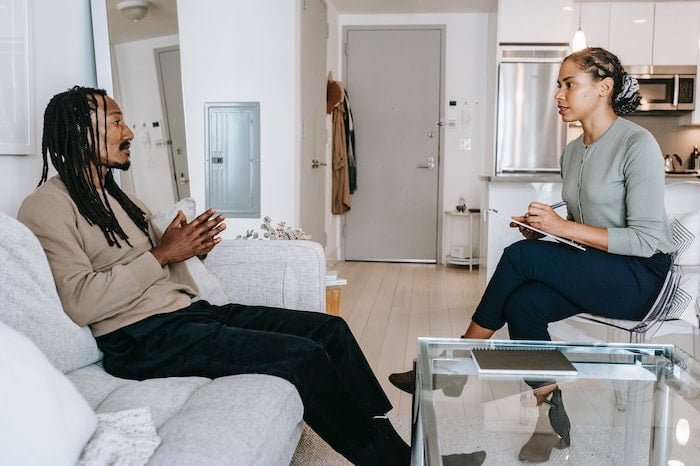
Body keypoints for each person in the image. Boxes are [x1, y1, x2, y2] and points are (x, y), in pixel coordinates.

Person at [18, 86, 409, 466]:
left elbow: (162, 265)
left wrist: (192, 248)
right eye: (117, 122)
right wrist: (164, 252)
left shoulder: (121, 197)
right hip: (140, 340)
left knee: (331, 331)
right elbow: (79, 301)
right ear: (81, 133)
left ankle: (392, 443)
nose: (130, 133)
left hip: (188, 315)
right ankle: (382, 460)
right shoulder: (47, 207)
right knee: (302, 357)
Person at [389, 47, 675, 462]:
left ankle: (453, 361)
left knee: (521, 258)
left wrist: (560, 228)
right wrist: (543, 228)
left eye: (569, 84)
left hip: (642, 278)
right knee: (524, 305)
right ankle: (549, 422)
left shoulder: (638, 144)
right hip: (603, 270)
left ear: (603, 88)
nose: (558, 94)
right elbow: (583, 230)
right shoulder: (573, 151)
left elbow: (647, 239)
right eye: (559, 85)